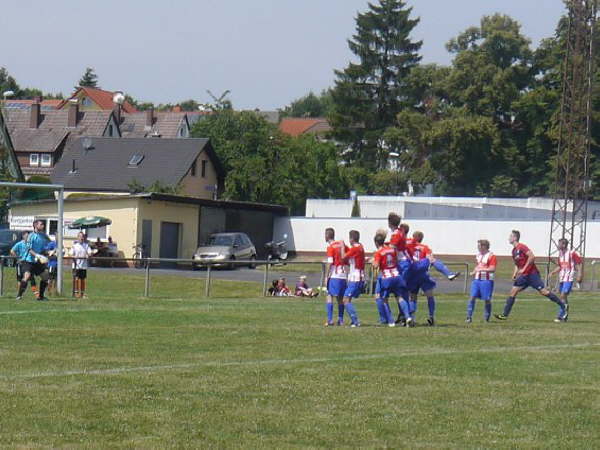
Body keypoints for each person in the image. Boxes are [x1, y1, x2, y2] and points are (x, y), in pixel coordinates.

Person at [495, 230, 568, 323]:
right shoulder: (513, 251)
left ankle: (562, 305)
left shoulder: (522, 247)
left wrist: (524, 269)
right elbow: (517, 265)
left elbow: (532, 257)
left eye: (510, 236)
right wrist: (515, 273)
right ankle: (504, 315)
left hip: (532, 274)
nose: (509, 238)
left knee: (544, 292)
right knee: (513, 292)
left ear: (515, 238)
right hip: (523, 276)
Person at [373, 231, 413, 327]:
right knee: (400, 297)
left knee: (384, 299)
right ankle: (408, 317)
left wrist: (373, 262)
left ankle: (391, 321)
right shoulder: (391, 250)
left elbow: (376, 265)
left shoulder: (378, 252)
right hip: (397, 276)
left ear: (376, 243)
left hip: (387, 278)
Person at [405, 231, 440, 326]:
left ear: (413, 237)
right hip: (423, 274)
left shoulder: (409, 246)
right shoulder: (425, 247)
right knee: (429, 295)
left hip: (413, 274)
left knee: (412, 297)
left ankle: (411, 318)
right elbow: (430, 259)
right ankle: (431, 316)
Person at [17, 220, 50, 301]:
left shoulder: (43, 236)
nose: (43, 226)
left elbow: (43, 250)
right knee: (27, 276)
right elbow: (29, 249)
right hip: (28, 261)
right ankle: (19, 295)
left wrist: (49, 252)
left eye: (43, 224)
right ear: (35, 225)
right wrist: (37, 255)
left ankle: (41, 297)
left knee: (45, 276)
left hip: (37, 261)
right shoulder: (31, 236)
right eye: (41, 224)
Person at [466, 240, 497, 323]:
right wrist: (473, 272)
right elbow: (478, 266)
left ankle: (487, 318)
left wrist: (482, 269)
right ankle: (469, 317)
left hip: (486, 280)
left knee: (487, 299)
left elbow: (492, 269)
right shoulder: (478, 256)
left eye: (479, 246)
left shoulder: (491, 256)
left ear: (484, 246)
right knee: (472, 297)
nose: (478, 247)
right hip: (477, 280)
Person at [549, 238, 583, 307]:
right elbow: (560, 266)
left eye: (559, 244)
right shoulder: (560, 254)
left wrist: (579, 274)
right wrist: (553, 272)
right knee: (563, 297)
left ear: (564, 245)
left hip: (569, 278)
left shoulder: (572, 253)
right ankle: (565, 312)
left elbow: (579, 263)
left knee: (563, 295)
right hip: (562, 278)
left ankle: (562, 314)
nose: (557, 245)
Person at [324, 227, 348, 326]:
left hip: (335, 275)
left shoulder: (331, 247)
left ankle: (330, 320)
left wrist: (326, 276)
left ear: (327, 236)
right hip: (343, 275)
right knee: (340, 298)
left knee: (329, 296)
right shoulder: (341, 245)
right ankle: (340, 320)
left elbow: (330, 262)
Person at [341, 230, 364, 327]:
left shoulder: (355, 248)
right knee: (348, 299)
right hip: (357, 276)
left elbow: (343, 257)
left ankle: (355, 321)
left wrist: (342, 247)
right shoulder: (360, 246)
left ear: (351, 239)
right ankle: (353, 320)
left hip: (355, 277)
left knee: (345, 300)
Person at [10, 231, 37, 298]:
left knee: (31, 278)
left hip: (28, 263)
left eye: (29, 236)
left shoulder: (31, 244)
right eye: (27, 236)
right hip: (21, 263)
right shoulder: (19, 244)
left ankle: (37, 294)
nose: (28, 238)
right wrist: (17, 258)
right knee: (20, 279)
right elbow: (12, 251)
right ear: (23, 236)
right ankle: (20, 294)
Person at [70, 232, 93, 298]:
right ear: (77, 237)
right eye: (80, 237)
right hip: (76, 265)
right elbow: (70, 253)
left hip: (83, 265)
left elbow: (90, 253)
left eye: (82, 237)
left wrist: (89, 255)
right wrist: (73, 256)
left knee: (83, 279)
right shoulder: (75, 246)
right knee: (76, 279)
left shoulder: (86, 245)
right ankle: (76, 293)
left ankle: (82, 293)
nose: (81, 238)